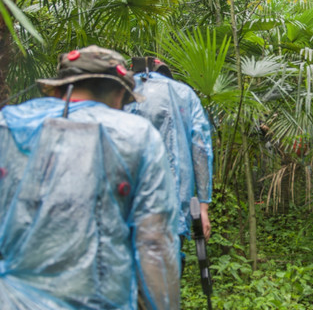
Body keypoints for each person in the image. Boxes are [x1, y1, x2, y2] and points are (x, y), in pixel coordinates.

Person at [0, 46, 180, 310]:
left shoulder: (8, 124)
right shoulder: (136, 135)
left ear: (59, 87)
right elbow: (153, 241)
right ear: (121, 94)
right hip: (100, 299)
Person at [125, 57, 213, 248]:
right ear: (166, 72)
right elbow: (201, 148)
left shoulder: (118, 93)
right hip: (172, 206)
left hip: (125, 207)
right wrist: (203, 207)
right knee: (167, 267)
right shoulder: (184, 94)